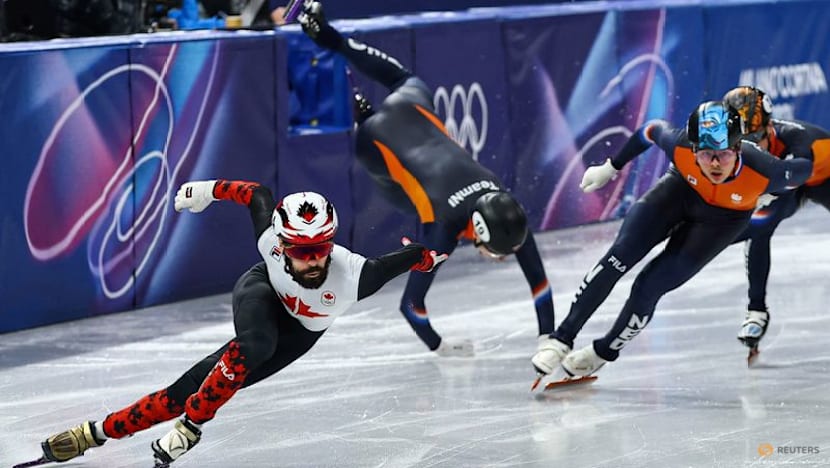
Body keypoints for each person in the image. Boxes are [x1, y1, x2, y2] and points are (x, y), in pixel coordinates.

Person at [34, 179, 446, 466]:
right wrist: (207, 191)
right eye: (301, 250)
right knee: (254, 346)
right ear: (281, 244)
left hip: (299, 333)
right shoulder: (269, 238)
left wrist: (429, 256)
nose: (314, 260)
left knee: (182, 393)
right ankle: (192, 427)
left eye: (322, 247)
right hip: (261, 290)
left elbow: (414, 256)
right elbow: (255, 193)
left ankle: (94, 434)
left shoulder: (357, 276)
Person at [297, 1, 556, 358]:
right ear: (478, 233)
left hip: (413, 106)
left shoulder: (504, 209)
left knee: (406, 80)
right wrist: (441, 347)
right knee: (407, 197)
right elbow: (410, 304)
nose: (501, 258)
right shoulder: (444, 229)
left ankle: (330, 37)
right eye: (497, 253)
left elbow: (537, 278)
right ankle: (364, 119)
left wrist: (549, 339)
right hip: (375, 143)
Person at [530, 100, 813, 382]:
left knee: (648, 286)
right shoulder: (679, 145)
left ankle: (603, 352)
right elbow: (649, 130)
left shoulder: (768, 172)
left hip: (722, 222)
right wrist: (611, 166)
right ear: (693, 149)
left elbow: (805, 169)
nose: (715, 164)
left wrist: (775, 191)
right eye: (705, 154)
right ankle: (561, 339)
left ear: (738, 148)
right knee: (620, 256)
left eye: (723, 154)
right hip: (678, 193)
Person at [723, 86, 830, 360]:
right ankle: (756, 311)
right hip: (784, 185)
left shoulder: (799, 140)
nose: (751, 146)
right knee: (759, 227)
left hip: (821, 177)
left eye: (756, 137)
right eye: (741, 140)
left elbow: (792, 179)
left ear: (770, 127)